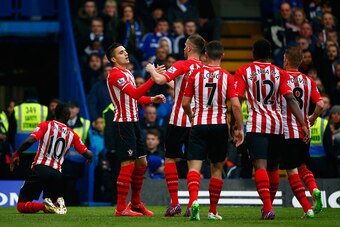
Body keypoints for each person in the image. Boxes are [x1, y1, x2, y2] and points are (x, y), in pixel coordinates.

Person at [233, 39, 309, 220]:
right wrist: (303, 124)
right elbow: (291, 99)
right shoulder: (279, 73)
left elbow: (238, 101)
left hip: (256, 124)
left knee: (260, 165)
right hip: (277, 125)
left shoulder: (244, 71)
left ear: (253, 53)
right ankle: (268, 207)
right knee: (273, 169)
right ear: (270, 54)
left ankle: (267, 207)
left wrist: (234, 125)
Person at [182, 40, 244, 221]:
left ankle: (194, 202)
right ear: (223, 56)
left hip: (199, 124)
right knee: (217, 168)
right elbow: (236, 106)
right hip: (219, 127)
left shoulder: (195, 74)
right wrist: (238, 128)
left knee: (194, 167)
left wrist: (192, 116)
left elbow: (185, 102)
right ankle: (212, 211)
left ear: (205, 55)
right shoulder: (227, 76)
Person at [146, 34, 205, 217]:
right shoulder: (206, 68)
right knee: (193, 162)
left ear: (188, 48)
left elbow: (160, 81)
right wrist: (163, 75)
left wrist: (151, 70)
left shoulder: (181, 64)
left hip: (179, 119)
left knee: (170, 159)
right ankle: (192, 202)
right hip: (198, 120)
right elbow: (178, 83)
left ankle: (174, 203)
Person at [105, 43, 166, 216]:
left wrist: (152, 99)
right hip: (122, 124)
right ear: (113, 59)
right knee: (128, 164)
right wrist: (152, 78)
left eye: (125, 50)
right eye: (120, 52)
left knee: (142, 164)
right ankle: (120, 208)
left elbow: (133, 98)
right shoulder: (115, 74)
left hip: (133, 123)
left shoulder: (127, 73)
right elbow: (134, 94)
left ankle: (136, 203)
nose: (125, 53)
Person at [9, 103, 93, 214]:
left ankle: (43, 205)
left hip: (40, 169)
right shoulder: (73, 134)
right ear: (68, 117)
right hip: (57, 174)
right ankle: (55, 203)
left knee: (21, 205)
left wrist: (17, 153)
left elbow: (30, 140)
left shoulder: (45, 125)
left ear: (54, 113)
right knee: (52, 209)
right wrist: (89, 158)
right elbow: (88, 154)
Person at [280, 47, 324, 218]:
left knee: (292, 171)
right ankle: (314, 190)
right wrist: (311, 119)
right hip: (304, 131)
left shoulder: (282, 78)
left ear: (286, 60)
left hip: (287, 130)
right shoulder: (308, 80)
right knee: (303, 167)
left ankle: (307, 209)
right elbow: (320, 105)